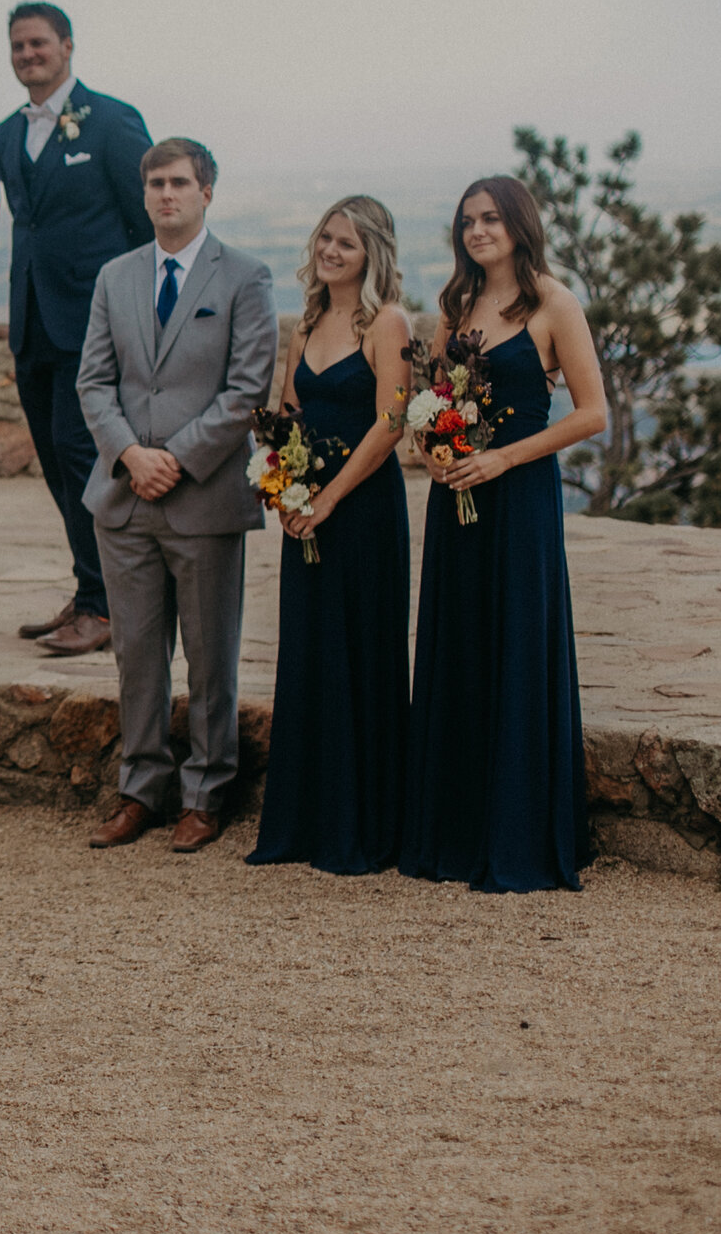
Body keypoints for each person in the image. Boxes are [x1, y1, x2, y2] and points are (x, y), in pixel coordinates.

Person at [403, 176, 606, 894]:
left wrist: (502, 458)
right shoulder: (455, 306)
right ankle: (454, 831)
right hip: (458, 496)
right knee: (460, 644)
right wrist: (434, 451)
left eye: (490, 218)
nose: (478, 231)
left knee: (516, 644)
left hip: (518, 494)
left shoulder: (554, 303)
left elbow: (592, 414)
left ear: (519, 224)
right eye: (467, 221)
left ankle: (516, 832)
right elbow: (426, 402)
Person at [77, 138, 275, 854]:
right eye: (155, 183)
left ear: (207, 192)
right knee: (136, 654)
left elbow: (247, 390)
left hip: (204, 499)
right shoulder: (115, 277)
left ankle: (206, 793)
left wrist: (177, 460)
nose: (166, 195)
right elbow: (93, 382)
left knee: (210, 655)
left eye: (180, 183)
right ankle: (140, 790)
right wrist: (131, 456)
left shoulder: (245, 278)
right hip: (125, 500)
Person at [246, 197, 413, 875]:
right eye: (325, 237)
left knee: (362, 655)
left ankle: (364, 824)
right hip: (305, 510)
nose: (331, 250)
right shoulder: (307, 322)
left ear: (372, 251)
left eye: (346, 241)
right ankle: (305, 822)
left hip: (364, 512)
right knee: (311, 656)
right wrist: (284, 491)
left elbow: (391, 424)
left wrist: (330, 498)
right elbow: (289, 412)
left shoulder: (388, 322)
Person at [0, 2, 153, 656]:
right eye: (18, 47)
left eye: (39, 44)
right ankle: (92, 590)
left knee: (83, 456)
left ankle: (107, 607)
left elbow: (146, 221)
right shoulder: (5, 134)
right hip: (33, 323)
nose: (28, 55)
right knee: (57, 464)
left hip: (94, 324)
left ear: (67, 45)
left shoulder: (112, 121)